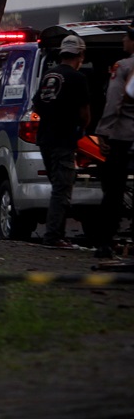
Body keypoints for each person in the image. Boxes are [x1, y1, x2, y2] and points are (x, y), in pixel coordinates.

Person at [32, 34, 91, 249]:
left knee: (58, 187)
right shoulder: (78, 78)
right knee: (62, 189)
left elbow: (37, 105)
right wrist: (82, 130)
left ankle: (58, 234)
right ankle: (53, 236)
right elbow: (84, 113)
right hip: (63, 140)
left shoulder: (49, 75)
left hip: (45, 140)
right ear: (80, 55)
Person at [94, 25, 134, 259]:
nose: (123, 40)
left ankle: (105, 242)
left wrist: (103, 131)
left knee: (113, 190)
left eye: (126, 37)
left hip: (123, 136)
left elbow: (114, 101)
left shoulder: (123, 67)